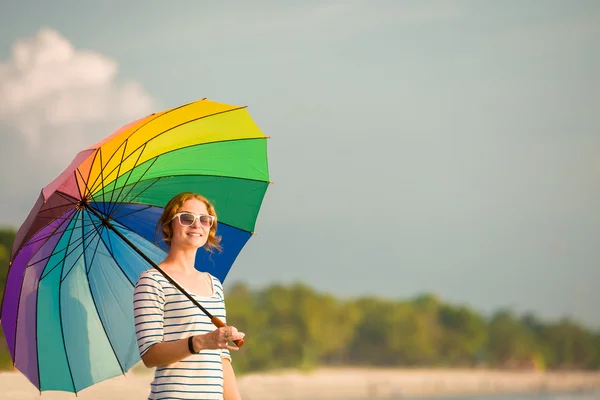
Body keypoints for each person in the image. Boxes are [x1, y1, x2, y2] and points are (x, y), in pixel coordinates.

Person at [133, 192, 245, 400]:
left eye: (204, 220)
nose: (197, 225)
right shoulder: (152, 281)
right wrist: (201, 341)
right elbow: (150, 355)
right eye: (186, 218)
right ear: (169, 226)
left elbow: (222, 358)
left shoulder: (214, 284)